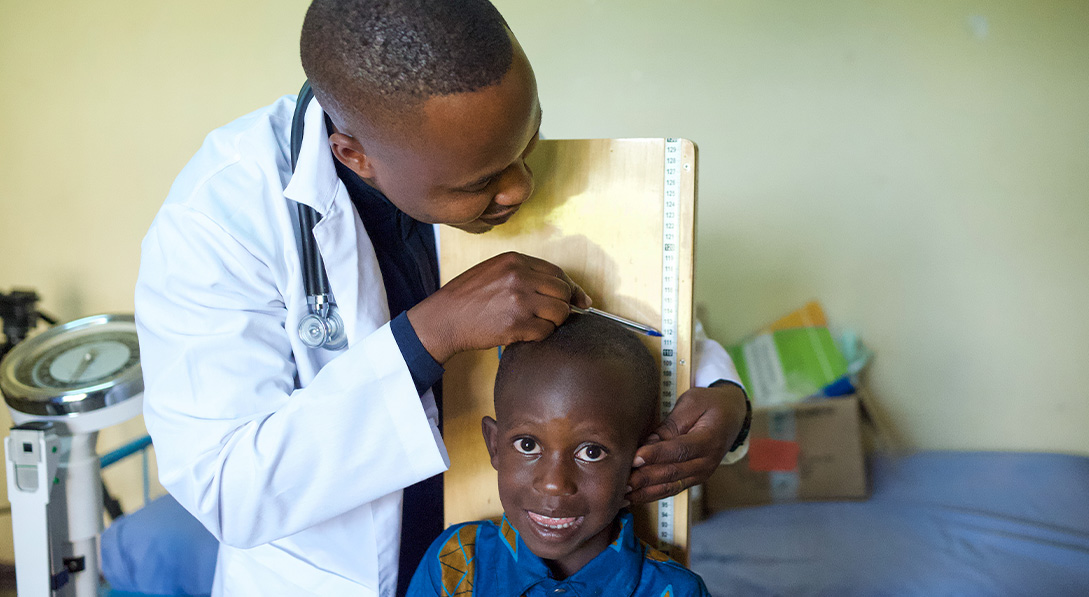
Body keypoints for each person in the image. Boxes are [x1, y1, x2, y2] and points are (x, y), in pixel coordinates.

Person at [134, 1, 749, 595]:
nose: (520, 187)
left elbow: (630, 311)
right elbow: (228, 489)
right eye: (481, 182)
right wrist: (431, 335)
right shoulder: (218, 219)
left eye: (530, 141)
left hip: (517, 570)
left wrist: (724, 399)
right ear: (353, 156)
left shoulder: (483, 147)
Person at [407, 314, 711, 596]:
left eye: (591, 452)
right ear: (495, 445)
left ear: (640, 461)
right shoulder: (456, 563)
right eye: (528, 445)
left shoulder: (674, 590)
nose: (554, 483)